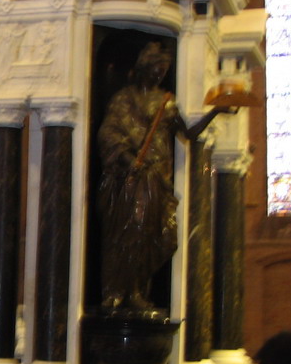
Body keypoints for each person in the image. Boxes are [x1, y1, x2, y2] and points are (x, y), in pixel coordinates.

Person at [97, 42, 228, 312]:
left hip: (156, 176)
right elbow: (109, 132)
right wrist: (127, 158)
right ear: (143, 68)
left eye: (163, 70)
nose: (158, 75)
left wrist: (215, 111)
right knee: (125, 232)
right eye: (155, 69)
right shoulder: (124, 98)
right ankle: (116, 291)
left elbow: (188, 134)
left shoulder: (166, 102)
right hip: (129, 178)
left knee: (151, 234)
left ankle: (137, 292)